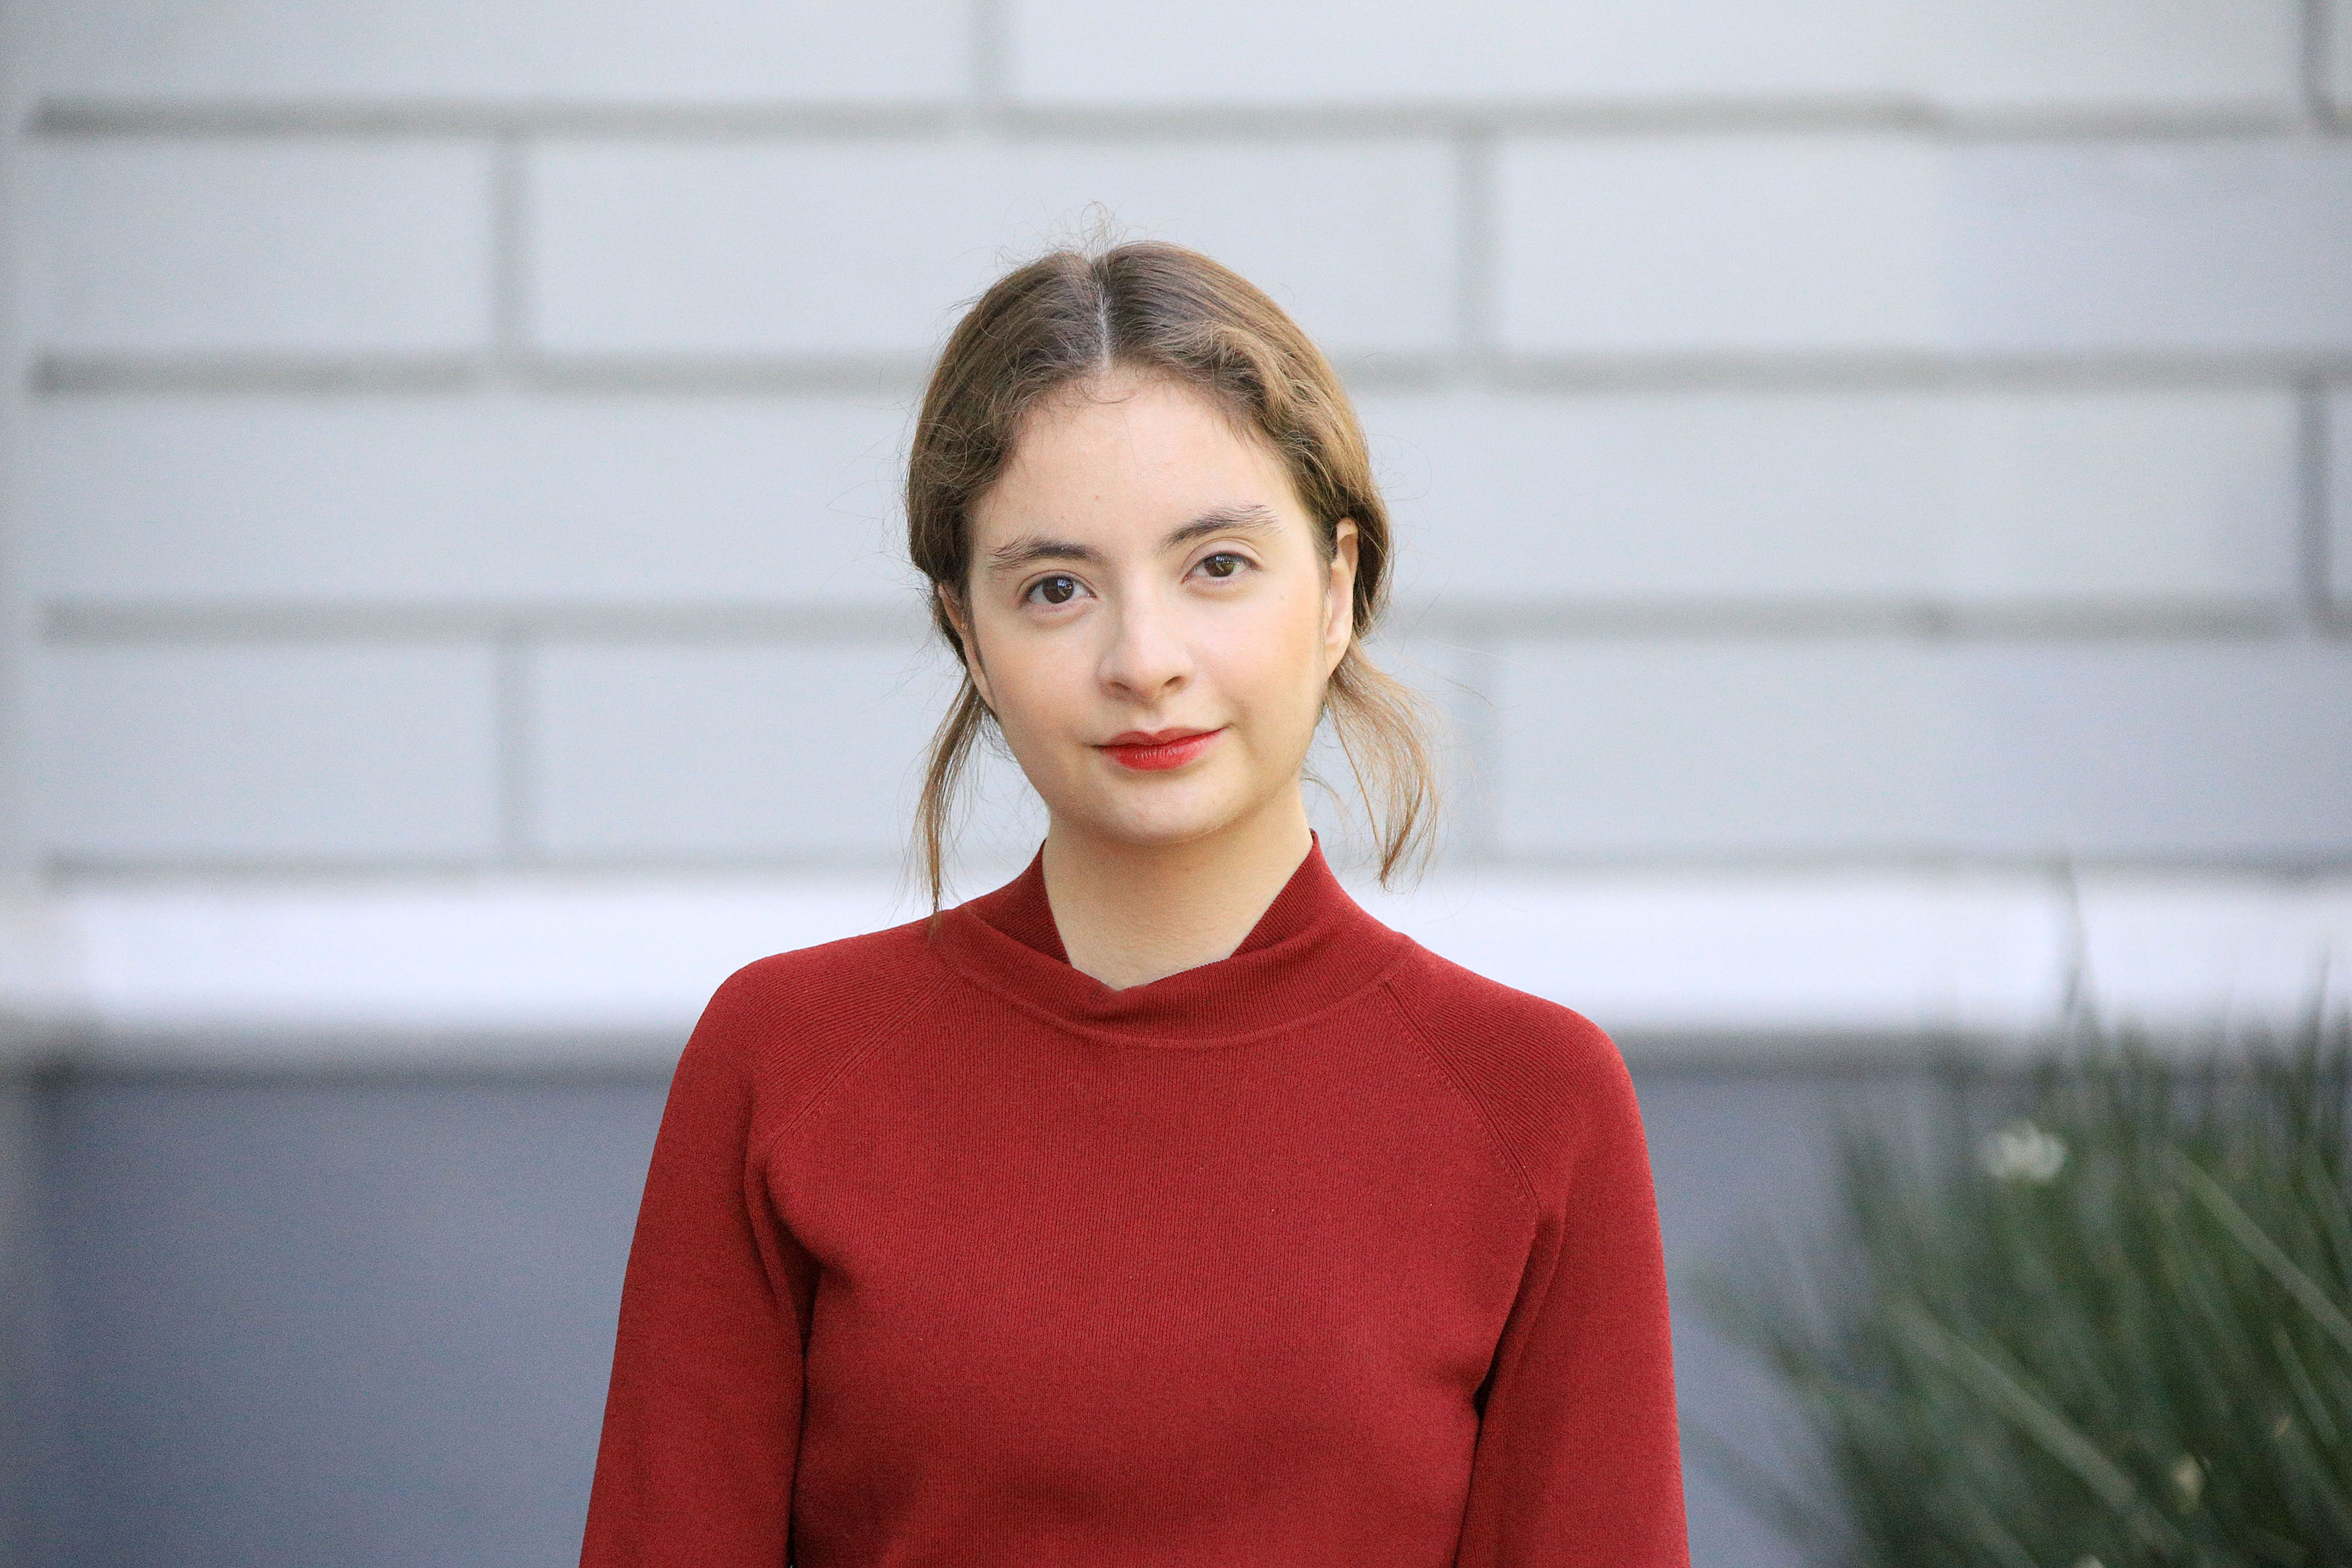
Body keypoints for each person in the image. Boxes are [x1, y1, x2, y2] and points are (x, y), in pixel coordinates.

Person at [578, 241, 1690, 1567]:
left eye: (1216, 565)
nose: (1143, 660)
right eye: (1055, 588)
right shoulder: (786, 1060)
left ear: (1336, 589)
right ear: (967, 632)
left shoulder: (1533, 1101)